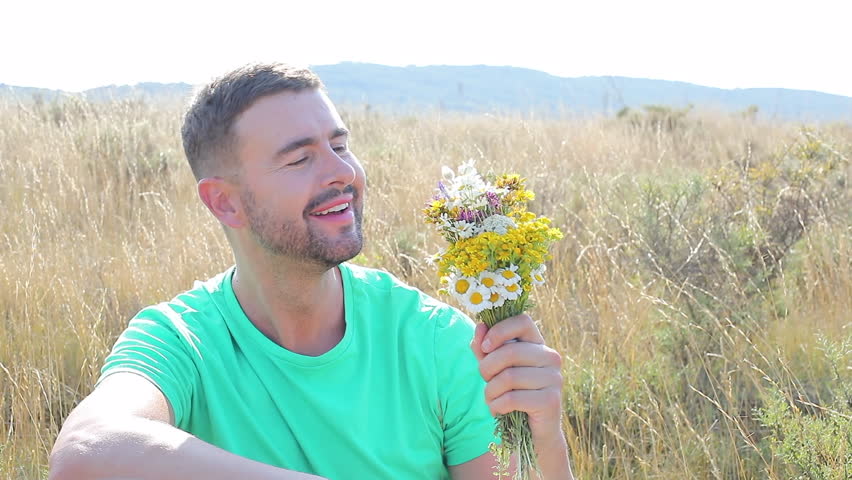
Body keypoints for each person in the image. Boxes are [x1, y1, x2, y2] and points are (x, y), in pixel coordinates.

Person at [49, 63, 574, 480]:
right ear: (225, 203)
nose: (343, 173)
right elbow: (86, 449)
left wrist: (545, 438)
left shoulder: (436, 342)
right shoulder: (182, 342)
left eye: (340, 146)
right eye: (300, 159)